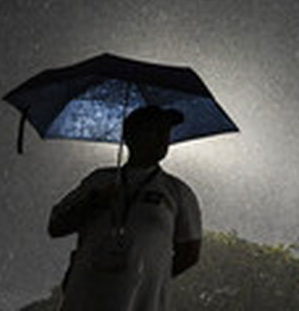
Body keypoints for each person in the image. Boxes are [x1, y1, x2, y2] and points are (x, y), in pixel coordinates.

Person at [48, 105, 202, 310]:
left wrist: (147, 275)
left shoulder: (178, 191)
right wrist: (93, 203)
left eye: (166, 132)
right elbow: (55, 225)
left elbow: (190, 252)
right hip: (86, 297)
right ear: (130, 137)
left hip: (143, 303)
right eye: (155, 130)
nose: (164, 138)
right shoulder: (99, 180)